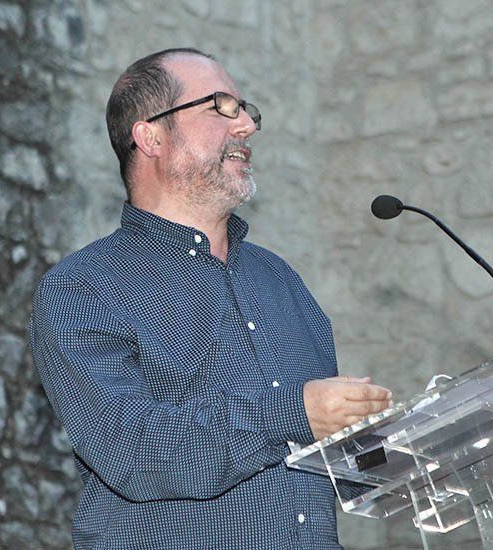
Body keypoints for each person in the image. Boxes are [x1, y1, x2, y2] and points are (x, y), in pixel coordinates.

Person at [28, 48, 393, 549]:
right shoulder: (84, 288)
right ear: (150, 135)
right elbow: (136, 452)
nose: (246, 126)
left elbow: (338, 463)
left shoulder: (280, 281)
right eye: (221, 107)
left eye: (246, 110)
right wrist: (295, 413)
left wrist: (390, 442)